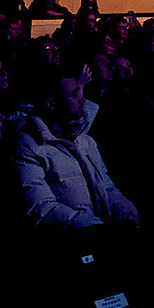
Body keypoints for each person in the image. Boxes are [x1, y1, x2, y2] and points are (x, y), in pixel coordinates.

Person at [12, 63, 141, 229]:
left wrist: (125, 214)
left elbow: (106, 187)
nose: (83, 99)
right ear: (51, 103)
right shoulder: (28, 146)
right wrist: (96, 227)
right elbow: (42, 208)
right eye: (74, 94)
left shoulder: (85, 141)